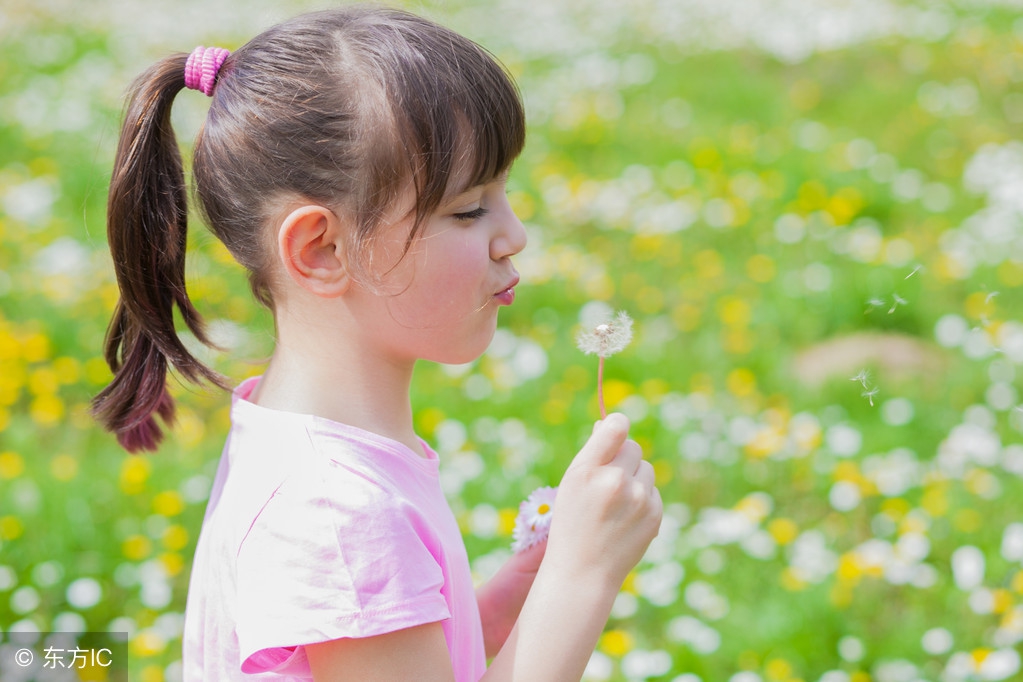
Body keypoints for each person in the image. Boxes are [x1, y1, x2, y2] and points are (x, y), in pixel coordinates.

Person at [92, 6, 662, 681]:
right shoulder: (337, 511)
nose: (514, 235)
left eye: (503, 194)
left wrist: (519, 591)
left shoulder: (310, 450)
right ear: (323, 249)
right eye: (468, 209)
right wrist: (581, 577)